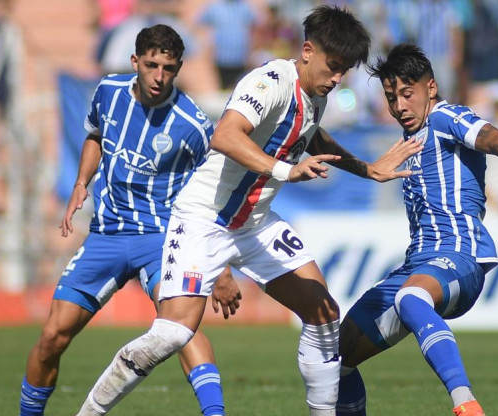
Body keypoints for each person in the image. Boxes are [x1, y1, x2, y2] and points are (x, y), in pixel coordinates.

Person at [74, 6, 423, 416]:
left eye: (344, 71)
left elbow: (310, 134)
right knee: (173, 332)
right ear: (307, 51)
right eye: (334, 67)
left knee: (324, 312)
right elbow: (225, 135)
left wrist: (366, 169)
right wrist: (285, 170)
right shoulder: (269, 81)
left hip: (254, 223)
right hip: (205, 218)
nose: (338, 79)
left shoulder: (315, 92)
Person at [335, 44, 498, 416]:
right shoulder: (408, 142)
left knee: (410, 299)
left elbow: (497, 139)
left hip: (459, 257)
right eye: (390, 97)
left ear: (430, 89)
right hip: (418, 264)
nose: (399, 106)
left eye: (407, 94)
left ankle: (466, 404)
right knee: (338, 358)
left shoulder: (447, 117)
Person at [19, 24, 241, 416]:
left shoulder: (193, 125)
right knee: (53, 335)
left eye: (168, 68)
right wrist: (80, 183)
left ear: (179, 68)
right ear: (135, 61)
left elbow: (214, 191)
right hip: (106, 235)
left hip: (162, 239)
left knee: (179, 329)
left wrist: (218, 266)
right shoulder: (108, 92)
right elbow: (95, 134)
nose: (159, 77)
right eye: (151, 65)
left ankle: (215, 413)